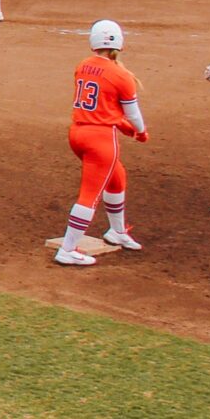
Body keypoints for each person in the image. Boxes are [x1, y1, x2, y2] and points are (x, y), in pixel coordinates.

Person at [56, 19, 146, 266]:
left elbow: (103, 105)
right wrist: (140, 131)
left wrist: (122, 123)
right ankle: (67, 249)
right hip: (100, 139)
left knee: (117, 176)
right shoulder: (121, 75)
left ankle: (117, 232)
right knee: (89, 195)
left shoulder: (82, 66)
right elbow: (133, 114)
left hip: (78, 133)